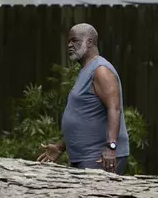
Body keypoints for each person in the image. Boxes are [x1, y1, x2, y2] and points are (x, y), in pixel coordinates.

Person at [37, 23, 129, 174]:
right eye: (68, 41)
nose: (69, 45)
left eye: (74, 41)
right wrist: (60, 147)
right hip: (86, 157)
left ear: (90, 42)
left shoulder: (101, 70)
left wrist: (111, 147)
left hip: (101, 157)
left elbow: (115, 109)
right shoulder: (86, 71)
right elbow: (85, 117)